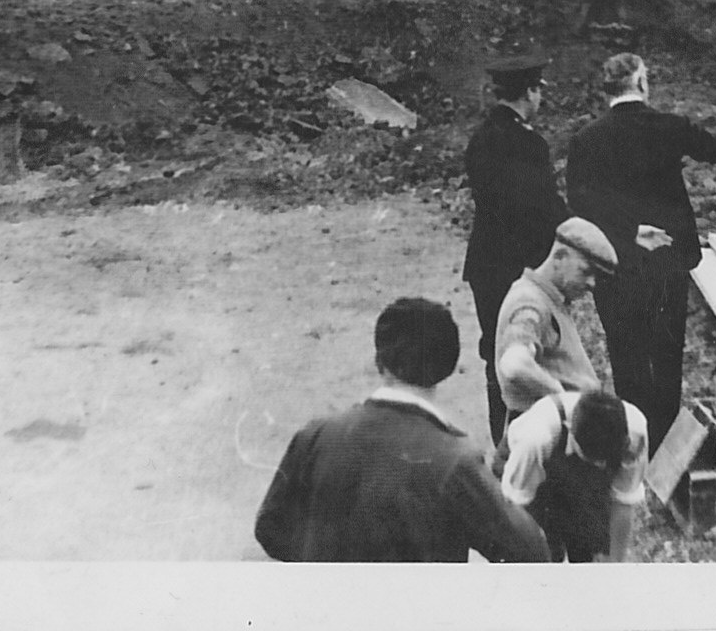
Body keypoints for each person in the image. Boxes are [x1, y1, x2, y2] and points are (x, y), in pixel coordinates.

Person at [253, 297, 549, 563]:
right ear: (447, 367)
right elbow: (530, 551)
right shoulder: (454, 460)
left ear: (378, 360)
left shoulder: (316, 434)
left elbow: (271, 530)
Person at [565, 52, 716, 448]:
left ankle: (635, 442)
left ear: (605, 90)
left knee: (626, 356)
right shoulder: (669, 127)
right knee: (666, 354)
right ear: (642, 83)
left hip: (616, 264)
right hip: (666, 262)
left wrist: (628, 229)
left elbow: (580, 201)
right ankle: (667, 445)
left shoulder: (585, 140)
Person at [462, 50, 570, 442]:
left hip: (485, 265)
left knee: (495, 353)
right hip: (519, 269)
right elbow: (543, 210)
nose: (540, 98)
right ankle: (528, 441)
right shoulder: (528, 145)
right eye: (539, 90)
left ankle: (501, 442)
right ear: (529, 92)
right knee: (529, 354)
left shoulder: (480, 139)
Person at [496, 389, 649, 562]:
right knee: (545, 554)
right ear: (571, 431)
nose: (602, 466)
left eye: (606, 459)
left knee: (595, 546)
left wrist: (615, 567)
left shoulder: (636, 431)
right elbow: (516, 512)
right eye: (594, 459)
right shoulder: (536, 438)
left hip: (572, 472)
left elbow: (623, 504)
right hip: (527, 477)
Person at [494, 219, 619, 421]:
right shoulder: (530, 302)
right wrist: (562, 397)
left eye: (596, 276)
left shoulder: (549, 298)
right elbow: (514, 364)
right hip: (543, 430)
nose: (592, 283)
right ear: (560, 257)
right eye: (586, 271)